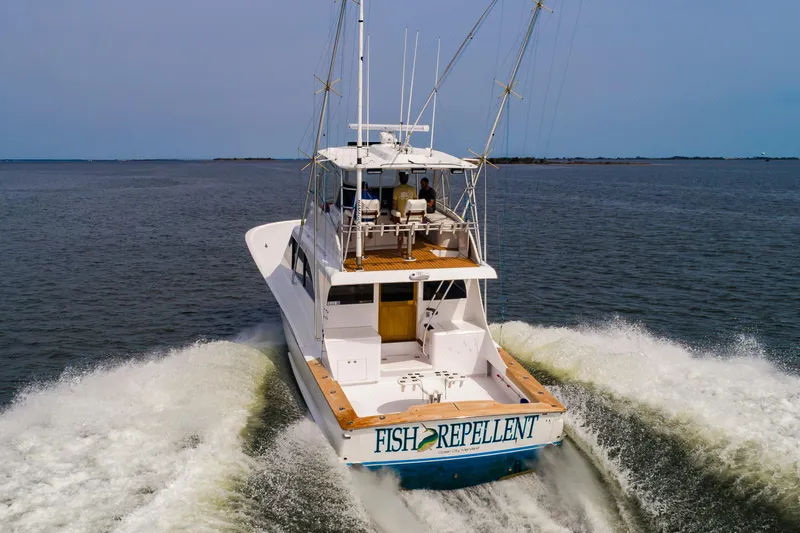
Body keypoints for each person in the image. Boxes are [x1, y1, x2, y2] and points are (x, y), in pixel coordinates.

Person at [392, 172, 416, 257]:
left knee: (400, 233)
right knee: (409, 231)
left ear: (399, 178)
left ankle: (399, 251)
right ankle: (409, 251)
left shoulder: (396, 189)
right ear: (407, 179)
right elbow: (415, 201)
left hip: (401, 217)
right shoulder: (412, 189)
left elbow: (394, 204)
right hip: (411, 216)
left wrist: (393, 214)